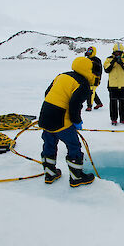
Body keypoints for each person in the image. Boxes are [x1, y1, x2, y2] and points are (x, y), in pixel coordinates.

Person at [38, 57, 96, 187]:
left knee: (49, 143)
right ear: (87, 69)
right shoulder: (83, 84)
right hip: (60, 120)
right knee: (74, 145)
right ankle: (77, 177)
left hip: (45, 115)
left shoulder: (62, 75)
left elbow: (47, 92)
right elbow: (74, 105)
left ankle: (50, 174)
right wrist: (77, 121)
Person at [103, 43, 124, 125]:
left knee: (123, 103)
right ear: (113, 52)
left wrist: (121, 63)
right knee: (113, 104)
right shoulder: (109, 59)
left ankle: (123, 118)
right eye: (116, 52)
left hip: (123, 85)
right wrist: (113, 62)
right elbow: (106, 69)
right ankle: (114, 119)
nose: (117, 54)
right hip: (113, 85)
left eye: (119, 52)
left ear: (122, 52)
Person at [84, 46, 103, 111]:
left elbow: (99, 70)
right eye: (88, 51)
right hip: (89, 78)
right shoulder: (87, 59)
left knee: (90, 91)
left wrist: (92, 64)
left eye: (90, 51)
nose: (88, 52)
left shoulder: (96, 60)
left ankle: (89, 106)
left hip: (95, 78)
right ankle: (99, 103)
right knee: (91, 90)